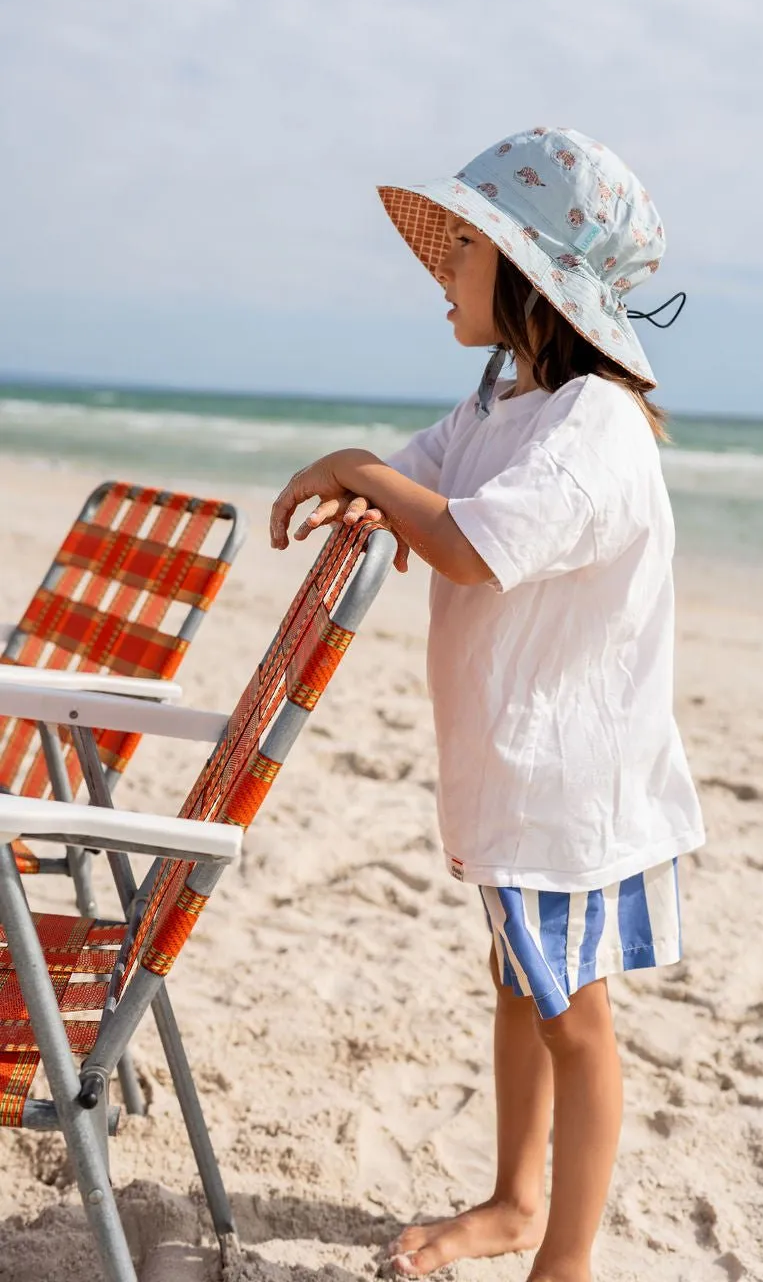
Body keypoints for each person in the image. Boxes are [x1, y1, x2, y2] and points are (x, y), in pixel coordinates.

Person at [269, 126, 705, 1282]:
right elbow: (429, 479)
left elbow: (464, 544)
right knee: (519, 989)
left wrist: (360, 471)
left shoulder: (593, 428)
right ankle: (515, 1201)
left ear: (527, 275)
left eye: (461, 249)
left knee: (575, 1020)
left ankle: (564, 1258)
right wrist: (371, 488)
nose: (442, 273)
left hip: (569, 785)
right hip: (511, 772)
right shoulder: (501, 408)